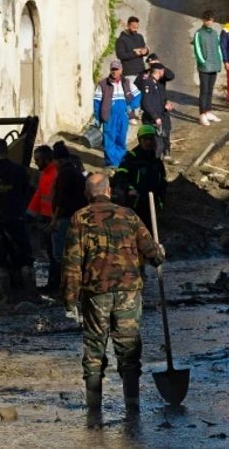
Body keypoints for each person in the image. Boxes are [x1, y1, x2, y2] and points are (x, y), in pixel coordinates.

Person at [61, 172, 165, 427]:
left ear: (88, 194)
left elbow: (72, 262)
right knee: (129, 351)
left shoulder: (80, 218)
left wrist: (69, 300)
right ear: (109, 191)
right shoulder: (129, 215)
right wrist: (159, 255)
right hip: (129, 291)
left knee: (95, 350)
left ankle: (94, 411)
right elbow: (152, 252)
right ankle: (133, 407)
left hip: (97, 293)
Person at [0, 139, 35, 303]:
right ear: (7, 150)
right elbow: (27, 191)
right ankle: (32, 294)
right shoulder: (18, 170)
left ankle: (6, 296)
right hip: (15, 217)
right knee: (25, 255)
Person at [112, 125, 167, 228]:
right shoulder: (131, 158)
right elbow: (119, 177)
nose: (149, 142)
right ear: (139, 140)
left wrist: (161, 202)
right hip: (136, 204)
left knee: (151, 231)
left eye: (151, 138)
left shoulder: (156, 160)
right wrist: (130, 189)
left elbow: (163, 183)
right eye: (145, 139)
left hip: (152, 203)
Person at [50, 144, 87, 293]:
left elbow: (61, 200)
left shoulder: (65, 174)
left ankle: (69, 289)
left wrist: (53, 221)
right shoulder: (75, 172)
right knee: (76, 253)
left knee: (63, 255)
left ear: (57, 160)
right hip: (78, 218)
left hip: (66, 219)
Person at [93, 60, 141, 168]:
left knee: (121, 139)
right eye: (113, 69)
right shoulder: (103, 84)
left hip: (123, 117)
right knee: (109, 140)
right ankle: (111, 163)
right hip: (109, 117)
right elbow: (97, 102)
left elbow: (138, 95)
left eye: (117, 69)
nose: (114, 72)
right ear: (110, 70)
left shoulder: (127, 83)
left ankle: (120, 162)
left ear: (121, 70)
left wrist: (131, 106)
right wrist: (96, 117)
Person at [27, 145, 59, 292]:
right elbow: (39, 194)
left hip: (54, 219)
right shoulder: (45, 173)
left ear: (46, 159)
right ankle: (48, 283)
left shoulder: (55, 173)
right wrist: (30, 213)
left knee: (53, 253)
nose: (36, 163)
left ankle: (53, 283)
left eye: (38, 160)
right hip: (46, 218)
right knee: (47, 252)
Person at [192, 10, 223, 126]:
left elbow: (218, 47)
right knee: (204, 91)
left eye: (211, 20)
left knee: (210, 90)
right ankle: (202, 114)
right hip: (204, 67)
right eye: (207, 20)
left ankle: (209, 111)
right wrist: (203, 62)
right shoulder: (198, 34)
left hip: (214, 65)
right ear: (203, 20)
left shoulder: (215, 33)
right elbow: (197, 50)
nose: (209, 22)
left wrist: (219, 60)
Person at [139, 63, 172, 159]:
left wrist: (166, 104)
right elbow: (146, 103)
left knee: (161, 142)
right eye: (162, 70)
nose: (164, 72)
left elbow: (160, 99)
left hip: (161, 116)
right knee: (155, 145)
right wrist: (155, 117)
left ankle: (157, 162)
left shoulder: (157, 83)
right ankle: (152, 164)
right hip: (152, 119)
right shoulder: (148, 83)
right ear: (159, 71)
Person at [115, 16, 150, 88]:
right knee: (132, 95)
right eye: (133, 27)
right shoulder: (121, 40)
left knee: (144, 94)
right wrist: (134, 53)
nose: (135, 29)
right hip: (129, 73)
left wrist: (146, 51)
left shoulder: (140, 37)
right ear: (128, 25)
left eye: (137, 27)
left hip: (142, 71)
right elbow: (120, 55)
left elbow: (143, 50)